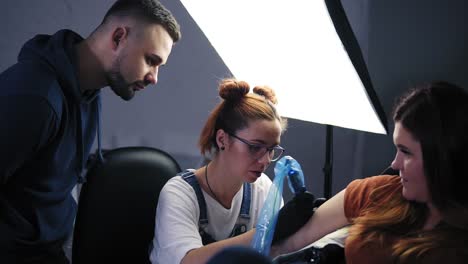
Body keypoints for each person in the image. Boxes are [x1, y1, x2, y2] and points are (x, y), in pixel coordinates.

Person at [0, 0, 181, 263]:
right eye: (150, 61)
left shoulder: (88, 91)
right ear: (118, 37)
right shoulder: (36, 97)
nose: (154, 77)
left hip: (49, 251)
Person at [271, 81, 468, 263]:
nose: (395, 164)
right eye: (397, 149)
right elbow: (286, 246)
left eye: (406, 152)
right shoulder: (379, 192)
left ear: (443, 158)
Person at [150, 78, 288, 264]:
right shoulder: (179, 193)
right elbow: (188, 261)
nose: (266, 161)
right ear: (222, 139)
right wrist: (267, 232)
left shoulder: (263, 189)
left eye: (271, 149)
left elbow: (281, 251)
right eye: (255, 147)